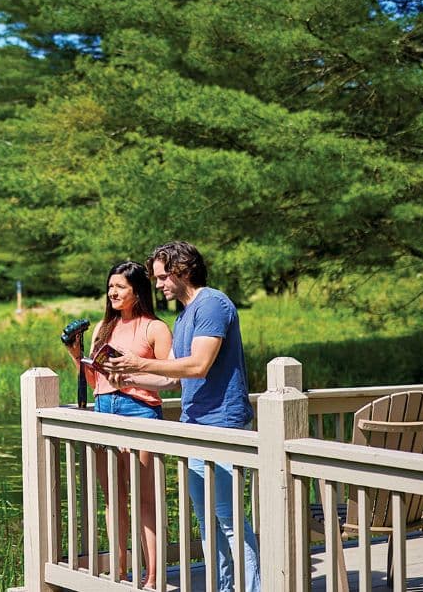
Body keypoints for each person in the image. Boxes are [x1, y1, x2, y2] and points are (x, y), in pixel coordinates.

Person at [105, 241, 261, 592]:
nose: (157, 285)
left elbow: (199, 365)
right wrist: (127, 377)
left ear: (182, 270)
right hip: (193, 426)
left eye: (162, 277)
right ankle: (222, 587)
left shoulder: (212, 305)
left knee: (230, 518)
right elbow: (172, 377)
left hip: (223, 424)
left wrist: (139, 362)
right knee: (207, 521)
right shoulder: (184, 314)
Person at [63, 260, 178, 587]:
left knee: (145, 499)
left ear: (137, 290)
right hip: (104, 410)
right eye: (110, 286)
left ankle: (153, 574)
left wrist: (129, 377)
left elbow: (171, 378)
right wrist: (76, 353)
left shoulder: (154, 328)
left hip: (139, 410)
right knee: (113, 496)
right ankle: (120, 571)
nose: (112, 292)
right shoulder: (103, 328)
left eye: (120, 287)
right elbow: (94, 378)